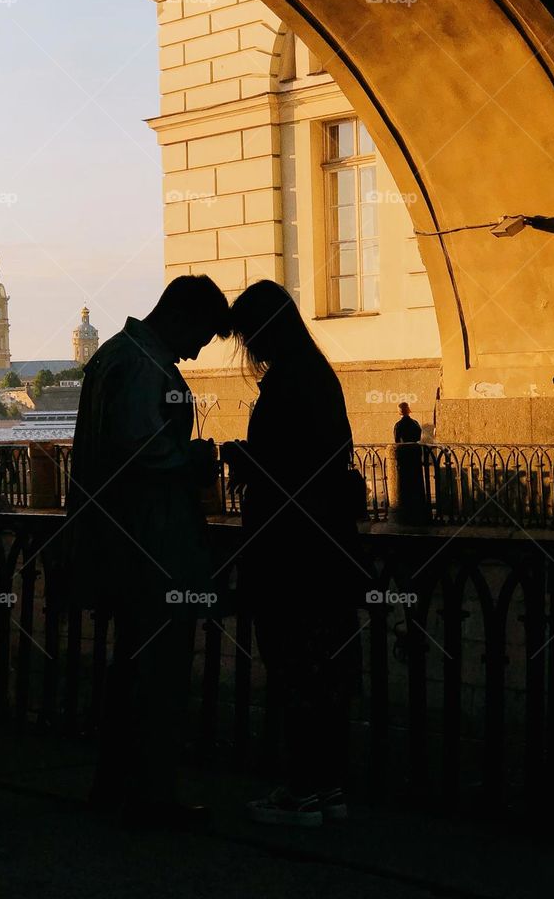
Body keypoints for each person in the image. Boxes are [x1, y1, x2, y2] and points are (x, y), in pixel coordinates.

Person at [61, 274, 230, 829]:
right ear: (181, 317)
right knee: (158, 673)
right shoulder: (143, 365)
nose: (197, 351)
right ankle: (151, 797)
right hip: (153, 546)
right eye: (200, 337)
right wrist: (195, 460)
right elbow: (143, 450)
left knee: (130, 668)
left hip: (120, 543)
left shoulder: (113, 356)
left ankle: (114, 785)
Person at [221, 280, 367, 828]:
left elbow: (287, 471)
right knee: (324, 670)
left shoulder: (286, 382)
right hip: (326, 550)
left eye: (248, 336)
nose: (248, 349)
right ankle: (327, 788)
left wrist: (245, 460)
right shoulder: (319, 377)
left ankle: (303, 791)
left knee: (292, 667)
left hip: (288, 554)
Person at [393, 401, 430, 525]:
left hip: (404, 458)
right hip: (415, 456)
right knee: (416, 482)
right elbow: (418, 438)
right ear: (408, 410)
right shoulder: (415, 423)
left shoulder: (398, 425)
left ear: (399, 411)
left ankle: (408, 511)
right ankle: (418, 509)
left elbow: (397, 441)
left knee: (406, 484)